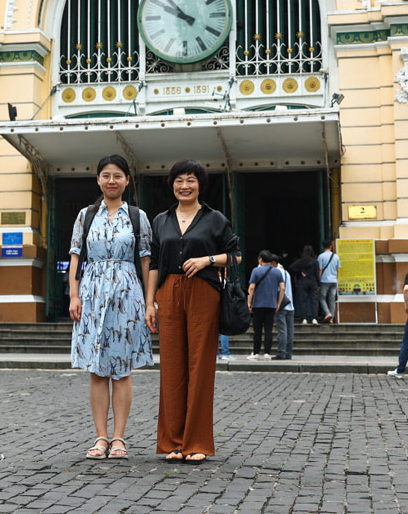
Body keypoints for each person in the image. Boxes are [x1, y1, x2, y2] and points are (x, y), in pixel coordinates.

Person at [145, 159, 239, 464]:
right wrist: (150, 302)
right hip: (168, 292)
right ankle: (172, 442)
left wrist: (207, 260)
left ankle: (197, 442)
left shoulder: (215, 219)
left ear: (200, 184)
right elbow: (155, 264)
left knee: (200, 366)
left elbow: (236, 256)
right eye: (179, 180)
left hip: (203, 293)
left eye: (191, 180)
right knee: (171, 366)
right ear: (172, 184)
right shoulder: (161, 220)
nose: (184, 186)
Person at [68, 154, 153, 459]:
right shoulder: (85, 215)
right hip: (91, 294)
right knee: (96, 370)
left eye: (118, 175)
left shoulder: (137, 216)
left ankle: (119, 437)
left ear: (127, 180)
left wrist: (148, 300)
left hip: (127, 294)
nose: (112, 181)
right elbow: (76, 257)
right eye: (106, 175)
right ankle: (100, 436)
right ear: (98, 180)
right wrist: (73, 296)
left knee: (122, 370)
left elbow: (145, 259)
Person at [247, 250, 284, 360]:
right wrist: (279, 302)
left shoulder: (256, 271)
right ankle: (267, 353)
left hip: (258, 304)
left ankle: (256, 353)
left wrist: (249, 302)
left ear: (260, 259)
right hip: (271, 304)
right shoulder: (277, 272)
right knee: (269, 329)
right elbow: (282, 288)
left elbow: (252, 288)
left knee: (257, 329)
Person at [290, 245, 320, 325]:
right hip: (313, 282)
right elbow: (317, 274)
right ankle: (314, 318)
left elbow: (292, 267)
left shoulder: (301, 261)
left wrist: (300, 273)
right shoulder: (315, 261)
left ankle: (304, 318)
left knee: (303, 300)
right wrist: (318, 284)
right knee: (314, 301)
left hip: (303, 282)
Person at [274, 256, 295, 359]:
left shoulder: (276, 272)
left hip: (281, 304)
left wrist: (277, 303)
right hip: (290, 305)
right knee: (290, 331)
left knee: (282, 330)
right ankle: (288, 353)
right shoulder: (287, 273)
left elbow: (280, 289)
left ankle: (281, 353)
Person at [317, 239, 341, 324]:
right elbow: (338, 270)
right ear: (331, 246)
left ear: (322, 247)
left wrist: (318, 281)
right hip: (334, 280)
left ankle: (328, 313)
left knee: (322, 298)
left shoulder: (321, 256)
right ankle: (331, 319)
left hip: (324, 280)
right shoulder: (336, 256)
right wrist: (336, 279)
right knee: (331, 299)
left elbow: (320, 270)